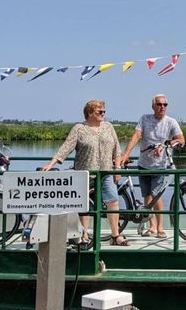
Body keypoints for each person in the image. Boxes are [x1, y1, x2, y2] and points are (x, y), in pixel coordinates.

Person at [42, 100, 127, 247]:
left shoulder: (108, 127)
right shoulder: (79, 128)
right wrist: (51, 163)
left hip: (106, 172)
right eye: (99, 112)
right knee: (84, 204)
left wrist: (117, 168)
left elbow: (117, 149)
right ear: (89, 113)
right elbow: (66, 147)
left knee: (113, 201)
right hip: (85, 172)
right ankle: (84, 234)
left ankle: (115, 235)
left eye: (104, 112)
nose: (103, 114)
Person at [118, 94, 185, 238]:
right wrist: (126, 153)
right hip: (144, 164)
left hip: (161, 165)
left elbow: (181, 139)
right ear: (153, 106)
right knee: (147, 196)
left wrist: (168, 143)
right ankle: (152, 226)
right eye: (159, 104)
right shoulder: (145, 119)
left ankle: (160, 227)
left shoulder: (171, 122)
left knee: (156, 195)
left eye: (165, 105)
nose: (162, 107)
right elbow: (137, 136)